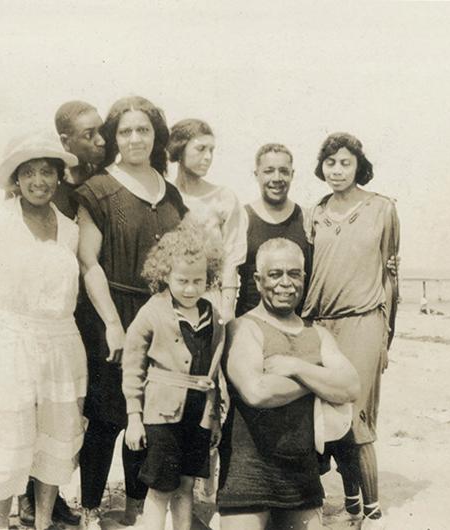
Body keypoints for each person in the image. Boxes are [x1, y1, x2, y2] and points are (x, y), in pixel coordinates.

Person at [0, 132, 88, 530]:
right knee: (2, 442)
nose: (39, 181)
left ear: (59, 177)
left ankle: (42, 521)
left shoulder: (69, 228)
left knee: (55, 437)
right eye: (29, 173)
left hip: (62, 343)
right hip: (7, 343)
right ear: (16, 178)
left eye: (47, 172)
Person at [75, 95, 187, 529]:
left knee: (148, 413)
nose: (135, 138)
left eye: (143, 129)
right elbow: (89, 264)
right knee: (107, 418)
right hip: (112, 311)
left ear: (156, 133)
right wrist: (112, 325)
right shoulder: (99, 188)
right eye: (125, 131)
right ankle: (88, 510)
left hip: (159, 313)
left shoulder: (171, 191)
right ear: (114, 136)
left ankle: (135, 511)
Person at [217, 238, 359, 530]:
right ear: (257, 281)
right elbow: (256, 392)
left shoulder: (317, 334)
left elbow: (351, 387)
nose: (285, 283)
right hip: (248, 475)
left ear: (304, 278)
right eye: (275, 274)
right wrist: (318, 379)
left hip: (301, 477)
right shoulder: (243, 328)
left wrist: (297, 367)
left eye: (294, 274)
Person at [15, 101, 107, 529]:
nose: (101, 142)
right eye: (90, 135)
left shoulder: (96, 188)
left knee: (67, 407)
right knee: (31, 405)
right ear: (66, 141)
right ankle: (28, 501)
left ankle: (51, 495)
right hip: (41, 320)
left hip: (79, 316)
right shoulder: (49, 190)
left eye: (101, 133)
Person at [301, 132, 400, 529]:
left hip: (364, 321)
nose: (337, 170)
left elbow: (392, 278)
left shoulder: (382, 209)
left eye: (345, 162)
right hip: (320, 321)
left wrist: (385, 338)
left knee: (357, 419)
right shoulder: (315, 212)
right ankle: (352, 502)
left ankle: (372, 512)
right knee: (325, 417)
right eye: (330, 163)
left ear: (359, 165)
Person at [121, 220, 226, 530]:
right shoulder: (152, 312)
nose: (191, 289)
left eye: (199, 280)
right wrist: (134, 417)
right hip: (161, 417)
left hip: (198, 414)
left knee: (185, 485)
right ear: (164, 275)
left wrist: (215, 417)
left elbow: (215, 372)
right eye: (182, 281)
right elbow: (133, 367)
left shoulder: (213, 316)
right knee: (160, 488)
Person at [168, 119, 245, 322]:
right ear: (179, 149)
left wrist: (227, 309)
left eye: (212, 150)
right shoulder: (164, 195)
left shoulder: (223, 197)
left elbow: (232, 257)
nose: (208, 157)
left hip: (211, 298)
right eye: (201, 149)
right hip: (169, 300)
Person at [235, 143, 310, 318]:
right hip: (252, 319)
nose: (277, 178)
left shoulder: (306, 218)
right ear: (257, 175)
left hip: (297, 321)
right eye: (269, 171)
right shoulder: (242, 218)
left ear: (292, 174)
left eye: (283, 171)